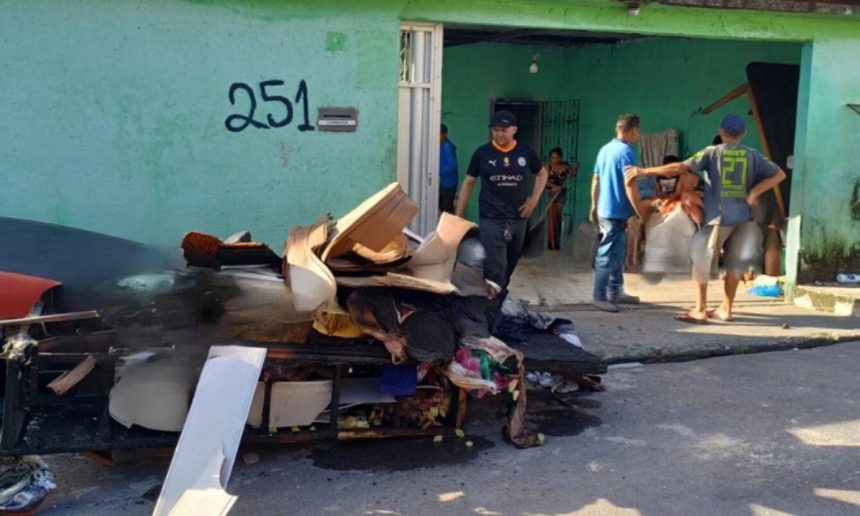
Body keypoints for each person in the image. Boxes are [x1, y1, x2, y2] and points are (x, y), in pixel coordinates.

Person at [625, 114, 787, 323]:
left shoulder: (711, 153)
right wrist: (755, 192)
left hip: (718, 219)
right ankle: (726, 310)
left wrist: (645, 170)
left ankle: (700, 310)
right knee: (734, 265)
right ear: (743, 133)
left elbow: (679, 167)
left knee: (700, 262)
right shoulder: (752, 155)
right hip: (744, 219)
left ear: (721, 132)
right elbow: (779, 174)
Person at [456, 110, 548, 293]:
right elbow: (469, 182)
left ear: (514, 129)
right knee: (496, 266)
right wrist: (459, 214)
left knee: (509, 265)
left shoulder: (526, 152)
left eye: (504, 130)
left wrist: (534, 199)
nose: (499, 134)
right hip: (491, 218)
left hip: (518, 218)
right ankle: (489, 302)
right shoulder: (482, 153)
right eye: (496, 130)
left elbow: (542, 173)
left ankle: (497, 299)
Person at [589, 113, 643, 312]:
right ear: (634, 130)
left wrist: (593, 205)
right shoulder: (626, 152)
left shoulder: (605, 149)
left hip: (605, 208)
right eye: (638, 131)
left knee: (618, 252)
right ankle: (599, 295)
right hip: (616, 211)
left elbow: (596, 179)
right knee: (607, 253)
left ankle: (616, 291)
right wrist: (639, 209)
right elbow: (631, 183)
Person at [544, 147, 577, 250]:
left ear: (561, 157)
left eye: (557, 158)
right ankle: (551, 242)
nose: (555, 160)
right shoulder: (547, 167)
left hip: (561, 194)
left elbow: (573, 174)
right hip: (550, 193)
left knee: (558, 217)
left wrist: (575, 168)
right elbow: (543, 181)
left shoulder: (565, 166)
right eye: (553, 158)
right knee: (551, 218)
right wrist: (554, 187)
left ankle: (557, 242)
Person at [439, 124, 459, 214]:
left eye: (439, 135)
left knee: (446, 209)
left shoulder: (447, 147)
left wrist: (439, 172)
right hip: (444, 182)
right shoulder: (440, 146)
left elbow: (453, 166)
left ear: (444, 135)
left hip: (450, 183)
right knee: (442, 206)